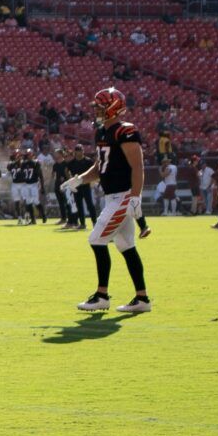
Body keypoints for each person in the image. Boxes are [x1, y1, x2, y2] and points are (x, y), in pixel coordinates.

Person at [70, 86, 149, 313]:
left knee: (96, 239)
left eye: (100, 106)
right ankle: (142, 299)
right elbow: (99, 167)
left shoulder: (125, 130)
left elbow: (137, 166)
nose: (96, 110)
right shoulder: (102, 132)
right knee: (126, 246)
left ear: (113, 107)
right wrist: (80, 179)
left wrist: (135, 196)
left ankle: (102, 295)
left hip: (123, 196)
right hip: (112, 196)